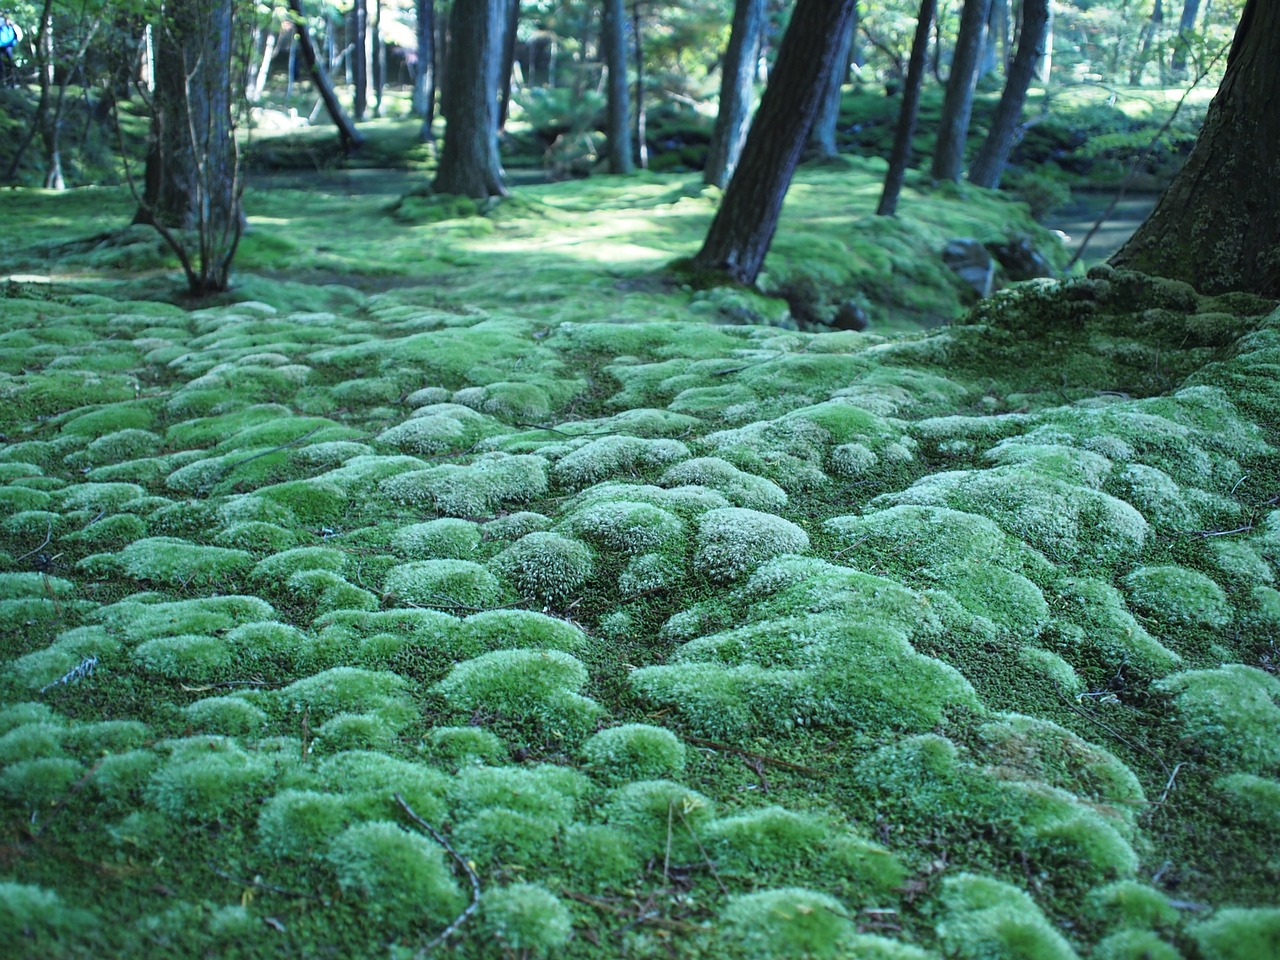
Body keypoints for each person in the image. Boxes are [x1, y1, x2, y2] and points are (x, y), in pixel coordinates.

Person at [0, 13, 22, 87]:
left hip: (8, 46)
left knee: (10, 64)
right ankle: (3, 82)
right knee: (2, 64)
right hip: (2, 46)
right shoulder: (2, 24)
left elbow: (18, 35)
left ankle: (11, 82)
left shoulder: (12, 26)